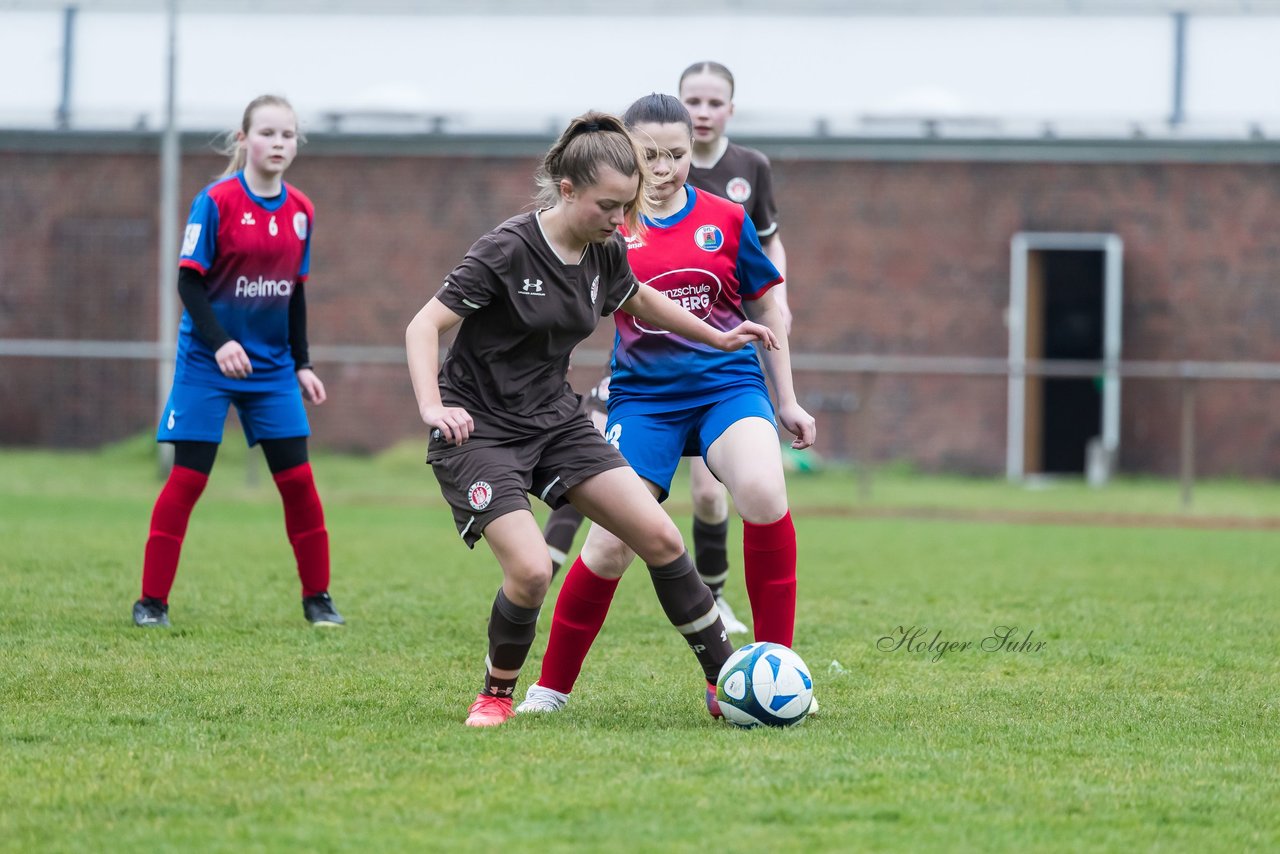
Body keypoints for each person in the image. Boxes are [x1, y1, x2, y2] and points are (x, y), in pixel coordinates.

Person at [404, 111, 780, 727]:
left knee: (660, 537)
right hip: (480, 432)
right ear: (569, 188)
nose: (621, 220)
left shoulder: (604, 253)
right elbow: (425, 325)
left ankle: (726, 682)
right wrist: (431, 406)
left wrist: (716, 336)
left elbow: (642, 300)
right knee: (529, 572)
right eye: (610, 205)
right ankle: (497, 694)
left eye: (627, 206)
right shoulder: (507, 249)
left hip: (556, 424)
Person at [515, 94, 815, 716]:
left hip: (728, 387)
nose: (666, 166)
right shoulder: (605, 226)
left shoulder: (726, 219)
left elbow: (768, 306)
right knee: (606, 546)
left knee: (763, 488)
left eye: (678, 154)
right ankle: (550, 688)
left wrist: (787, 399)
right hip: (644, 401)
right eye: (650, 154)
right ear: (627, 153)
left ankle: (776, 676)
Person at [132, 94, 344, 630]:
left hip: (272, 369)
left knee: (298, 482)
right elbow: (188, 280)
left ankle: (318, 600)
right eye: (268, 133)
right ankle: (151, 603)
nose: (278, 143)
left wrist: (302, 364)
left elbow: (295, 294)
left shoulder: (301, 210)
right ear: (243, 139)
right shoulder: (217, 200)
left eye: (288, 135)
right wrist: (222, 342)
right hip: (207, 360)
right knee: (188, 480)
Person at [680, 60, 792, 635]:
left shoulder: (751, 168)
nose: (702, 112)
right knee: (697, 494)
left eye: (713, 102)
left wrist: (779, 298)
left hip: (731, 344)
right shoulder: (656, 167)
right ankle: (705, 593)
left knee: (715, 489)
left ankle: (715, 596)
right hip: (666, 347)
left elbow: (769, 243)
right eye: (692, 101)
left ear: (730, 108)